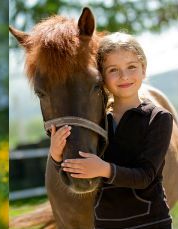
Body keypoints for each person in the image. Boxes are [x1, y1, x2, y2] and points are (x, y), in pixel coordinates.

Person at [51, 32, 173, 228]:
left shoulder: (158, 118)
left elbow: (146, 176)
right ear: (102, 77)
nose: (124, 76)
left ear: (143, 69)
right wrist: (57, 158)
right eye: (113, 70)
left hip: (150, 222)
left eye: (131, 67)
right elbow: (79, 171)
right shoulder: (99, 124)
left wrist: (104, 168)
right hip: (106, 224)